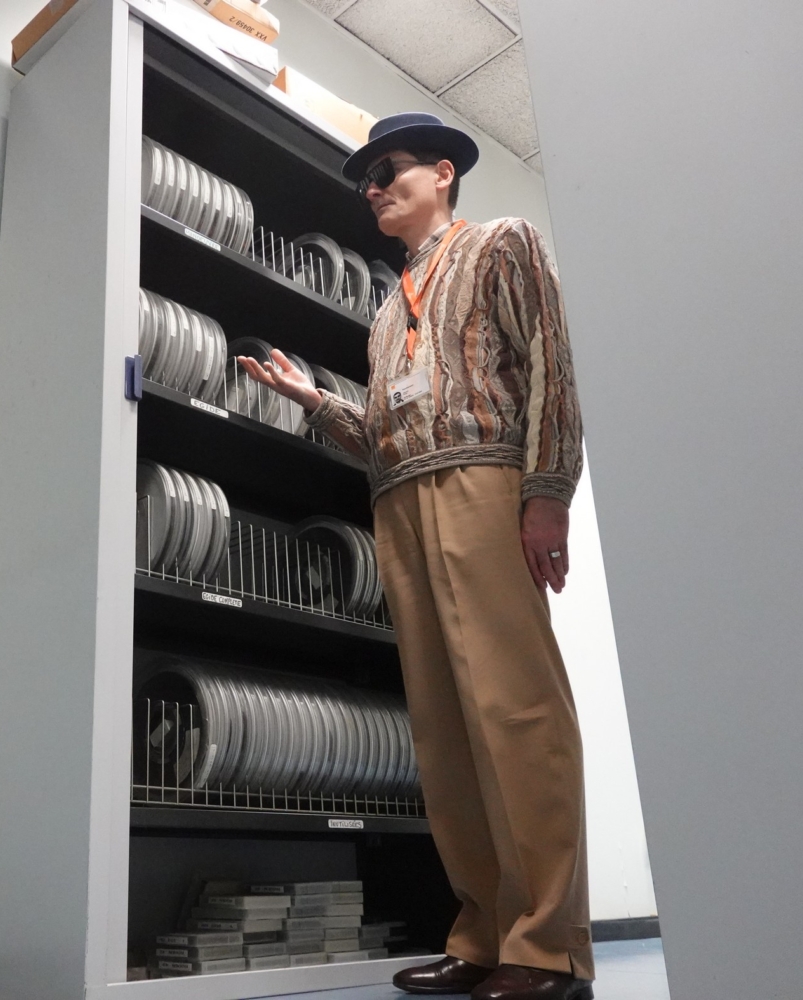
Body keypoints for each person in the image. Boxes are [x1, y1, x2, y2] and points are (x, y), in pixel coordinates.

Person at [239, 113, 593, 1000]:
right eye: (366, 179)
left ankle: (548, 949)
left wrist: (547, 490)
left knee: (516, 712)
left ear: (443, 172)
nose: (373, 188)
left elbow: (552, 365)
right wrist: (315, 402)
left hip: (484, 486)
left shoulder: (503, 243)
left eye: (389, 169)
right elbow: (382, 436)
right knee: (443, 730)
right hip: (399, 504)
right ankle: (482, 936)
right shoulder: (385, 311)